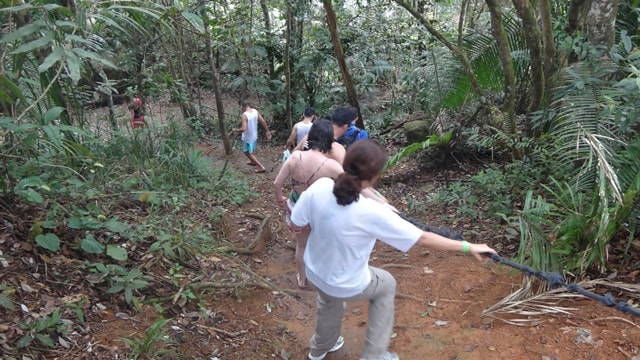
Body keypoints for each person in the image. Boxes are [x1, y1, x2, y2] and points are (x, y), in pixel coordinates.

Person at [289, 140, 497, 360]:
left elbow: (297, 221)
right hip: (346, 283)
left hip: (314, 272)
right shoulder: (372, 213)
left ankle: (319, 349)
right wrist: (469, 246)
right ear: (374, 178)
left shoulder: (319, 187)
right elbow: (423, 239)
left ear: (344, 162)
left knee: (329, 298)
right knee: (386, 285)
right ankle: (374, 355)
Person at [273, 119, 344, 289]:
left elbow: (277, 184)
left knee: (302, 245)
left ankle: (302, 279)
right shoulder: (332, 166)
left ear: (310, 136)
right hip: (321, 211)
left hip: (296, 206)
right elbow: (349, 188)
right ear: (329, 140)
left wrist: (280, 199)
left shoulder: (295, 156)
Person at [232, 99, 272, 173]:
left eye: (241, 107)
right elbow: (263, 121)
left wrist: (236, 130)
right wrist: (267, 131)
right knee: (250, 150)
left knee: (246, 152)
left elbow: (244, 129)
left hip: (248, 137)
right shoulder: (255, 111)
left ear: (243, 106)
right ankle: (252, 161)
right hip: (254, 135)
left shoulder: (245, 115)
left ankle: (261, 166)